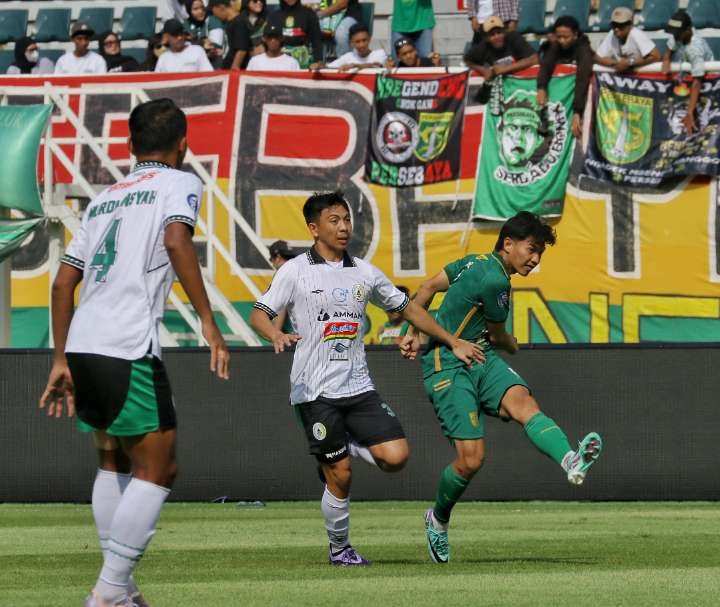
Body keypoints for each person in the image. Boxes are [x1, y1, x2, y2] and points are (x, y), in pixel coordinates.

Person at [38, 98, 230, 607]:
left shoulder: (103, 199)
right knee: (159, 470)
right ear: (183, 145)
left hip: (82, 344)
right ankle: (107, 593)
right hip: (127, 346)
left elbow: (62, 283)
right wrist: (209, 322)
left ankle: (120, 592)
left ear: (130, 146)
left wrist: (60, 360)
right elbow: (175, 241)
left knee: (113, 463)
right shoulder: (179, 182)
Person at [249, 191, 484, 567]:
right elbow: (259, 313)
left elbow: (407, 309)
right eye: (334, 220)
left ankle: (343, 446)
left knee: (396, 458)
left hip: (359, 388)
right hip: (314, 392)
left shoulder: (364, 271)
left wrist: (450, 340)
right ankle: (340, 549)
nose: (343, 227)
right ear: (313, 227)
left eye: (346, 219)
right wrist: (275, 334)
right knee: (340, 475)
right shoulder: (293, 271)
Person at [400, 211, 603, 564]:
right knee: (471, 460)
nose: (536, 259)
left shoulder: (474, 260)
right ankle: (438, 519)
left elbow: (429, 287)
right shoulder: (495, 280)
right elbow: (497, 334)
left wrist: (412, 330)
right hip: (447, 362)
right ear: (508, 243)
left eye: (540, 252)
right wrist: (510, 343)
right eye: (532, 249)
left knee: (524, 403)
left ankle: (570, 459)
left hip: (479, 355)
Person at [537, 15, 592, 140]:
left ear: (575, 34)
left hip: (579, 100)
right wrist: (541, 87)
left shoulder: (583, 49)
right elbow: (545, 66)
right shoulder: (556, 44)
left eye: (565, 37)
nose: (561, 40)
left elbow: (582, 80)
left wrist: (578, 112)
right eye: (559, 37)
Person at [661, 10, 713, 134]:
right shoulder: (678, 34)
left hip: (707, 82)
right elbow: (669, 50)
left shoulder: (695, 48)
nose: (674, 36)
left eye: (677, 34)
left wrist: (689, 112)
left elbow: (697, 82)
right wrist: (666, 59)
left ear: (688, 30)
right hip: (689, 78)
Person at [464, 16, 538, 102]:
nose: (497, 37)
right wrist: (483, 70)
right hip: (499, 93)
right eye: (492, 35)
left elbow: (535, 59)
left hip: (521, 88)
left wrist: (505, 69)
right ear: (486, 38)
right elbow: (467, 60)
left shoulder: (514, 37)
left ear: (504, 32)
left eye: (499, 32)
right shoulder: (482, 46)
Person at [594, 6, 661, 73]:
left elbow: (656, 56)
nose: (616, 29)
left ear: (630, 24)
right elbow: (597, 57)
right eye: (614, 24)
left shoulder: (636, 34)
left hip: (641, 76)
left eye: (621, 25)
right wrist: (615, 64)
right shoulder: (612, 34)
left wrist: (630, 63)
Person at [269, 0, 324, 69]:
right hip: (279, 63)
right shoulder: (274, 16)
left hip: (304, 63)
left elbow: (316, 40)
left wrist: (318, 61)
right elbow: (269, 41)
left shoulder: (309, 14)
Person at [208, 0, 252, 70]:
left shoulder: (239, 22)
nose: (216, 17)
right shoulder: (230, 23)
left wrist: (234, 68)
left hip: (234, 72)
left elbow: (242, 49)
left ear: (221, 7)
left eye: (215, 14)